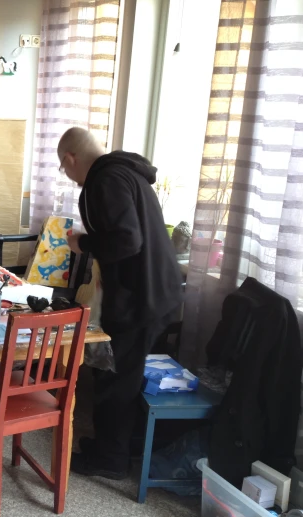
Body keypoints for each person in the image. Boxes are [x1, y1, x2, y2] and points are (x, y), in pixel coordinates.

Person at [58, 127, 182, 479]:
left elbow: (127, 241)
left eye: (64, 168)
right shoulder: (124, 172)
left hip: (140, 298)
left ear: (71, 158)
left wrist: (84, 243)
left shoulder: (105, 180)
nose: (68, 176)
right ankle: (115, 448)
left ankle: (110, 460)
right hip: (157, 291)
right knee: (124, 375)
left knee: (116, 378)